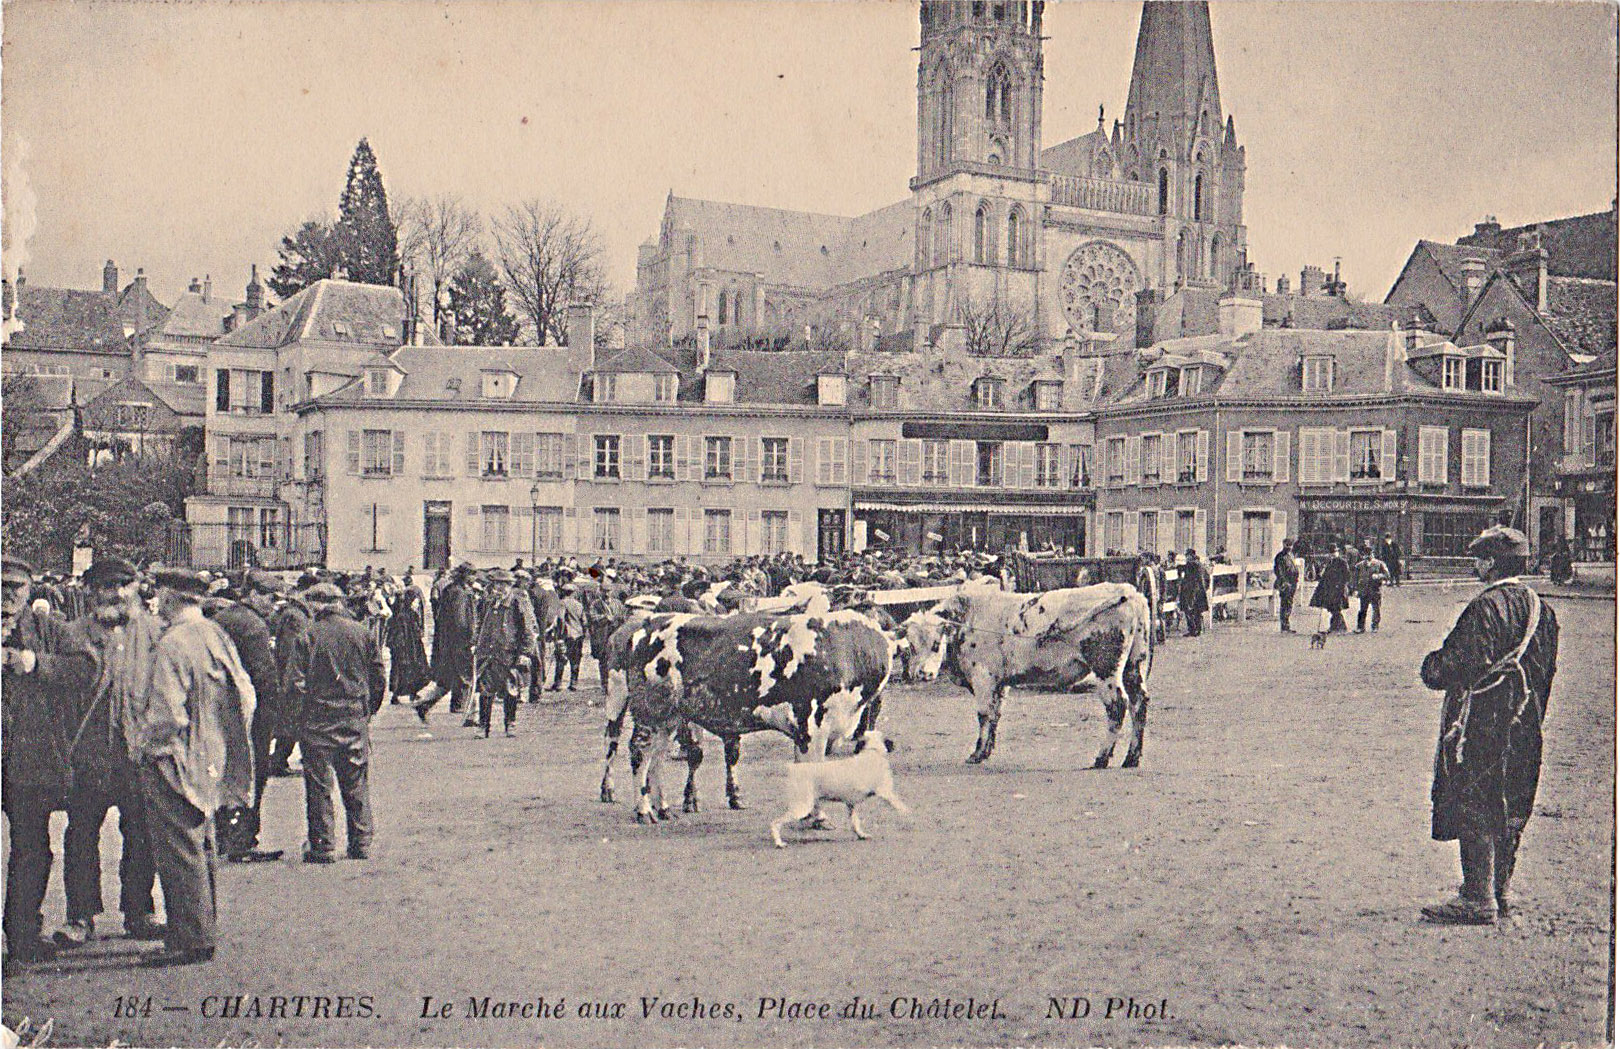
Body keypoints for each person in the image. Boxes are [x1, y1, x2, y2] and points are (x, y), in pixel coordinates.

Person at [1420, 525, 1558, 925]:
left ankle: (1478, 897)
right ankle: (1501, 890)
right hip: (1525, 721)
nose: (1476, 566)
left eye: (1479, 559)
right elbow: (1547, 671)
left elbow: (1456, 664)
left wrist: (1431, 666)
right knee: (1513, 800)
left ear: (1491, 564)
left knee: (1475, 798)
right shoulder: (1541, 609)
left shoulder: (1487, 607)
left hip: (1482, 722)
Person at [135, 567, 257, 967]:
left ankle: (189, 939)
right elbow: (246, 695)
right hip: (211, 755)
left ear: (170, 598)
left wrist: (146, 747)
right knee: (202, 844)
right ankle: (202, 928)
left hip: (175, 756)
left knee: (178, 848)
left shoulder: (173, 643)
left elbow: (167, 714)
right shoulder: (214, 634)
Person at [57, 558, 165, 949]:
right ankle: (81, 916)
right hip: (88, 754)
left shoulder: (155, 633)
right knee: (81, 835)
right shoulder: (71, 636)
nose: (116, 593)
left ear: (137, 588)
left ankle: (139, 912)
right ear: (91, 591)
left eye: (124, 584)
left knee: (141, 834)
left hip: (137, 753)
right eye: (106, 586)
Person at [2, 556, 98, 967]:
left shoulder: (46, 630)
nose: (7, 596)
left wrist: (35, 664)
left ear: (29, 591)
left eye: (16, 588)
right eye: (1, 586)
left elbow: (88, 668)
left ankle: (22, 935)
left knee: (31, 847)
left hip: (27, 758)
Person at [287, 582, 383, 863]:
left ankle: (323, 845)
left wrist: (298, 718)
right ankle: (361, 842)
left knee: (319, 785)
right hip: (353, 716)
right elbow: (378, 678)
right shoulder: (362, 633)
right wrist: (367, 712)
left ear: (317, 604)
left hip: (318, 720)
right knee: (356, 782)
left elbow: (295, 684)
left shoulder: (308, 636)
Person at [207, 575, 284, 863]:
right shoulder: (253, 627)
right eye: (268, 597)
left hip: (221, 708)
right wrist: (273, 715)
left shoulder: (223, 618)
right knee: (252, 773)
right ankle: (243, 841)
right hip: (251, 712)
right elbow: (264, 676)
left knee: (223, 772)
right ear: (252, 594)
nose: (272, 604)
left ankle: (222, 835)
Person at [474, 568, 538, 736]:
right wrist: (476, 644)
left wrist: (525, 653)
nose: (499, 589)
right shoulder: (488, 603)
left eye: (503, 585)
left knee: (511, 692)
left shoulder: (517, 603)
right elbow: (480, 625)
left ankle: (510, 724)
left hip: (510, 656)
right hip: (489, 655)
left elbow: (528, 631)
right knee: (485, 691)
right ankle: (483, 727)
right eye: (496, 585)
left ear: (510, 586)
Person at [413, 564, 474, 725]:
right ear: (464, 576)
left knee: (447, 680)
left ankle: (424, 705)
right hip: (459, 644)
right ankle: (468, 714)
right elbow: (460, 621)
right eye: (472, 575)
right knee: (468, 678)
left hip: (447, 644)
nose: (474, 578)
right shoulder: (460, 593)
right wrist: (471, 638)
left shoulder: (450, 590)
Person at [550, 583, 587, 692]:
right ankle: (573, 682)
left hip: (566, 634)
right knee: (575, 659)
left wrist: (558, 635)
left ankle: (558, 683)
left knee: (561, 658)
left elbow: (561, 619)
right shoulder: (579, 605)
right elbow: (584, 621)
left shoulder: (562, 603)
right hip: (578, 634)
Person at [1310, 543, 1351, 633]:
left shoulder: (1342, 562)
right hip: (1330, 590)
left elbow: (1347, 576)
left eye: (1335, 552)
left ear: (1338, 552)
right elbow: (1325, 576)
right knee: (1332, 608)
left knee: (1336, 608)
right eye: (1331, 553)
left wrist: (1340, 586)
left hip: (1339, 590)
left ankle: (1337, 627)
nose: (1333, 554)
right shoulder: (1330, 563)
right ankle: (1339, 627)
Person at [1352, 545, 1392, 633]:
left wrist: (1378, 576)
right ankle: (1360, 627)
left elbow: (1387, 575)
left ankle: (1375, 626)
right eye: (1366, 555)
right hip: (1364, 590)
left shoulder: (1379, 564)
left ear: (1373, 554)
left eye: (1370, 554)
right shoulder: (1359, 566)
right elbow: (1355, 579)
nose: (1368, 556)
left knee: (1376, 609)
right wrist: (1355, 589)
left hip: (1375, 590)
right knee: (1362, 609)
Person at [1177, 548, 1210, 637]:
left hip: (1192, 591)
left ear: (1191, 556)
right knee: (1197, 611)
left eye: (1187, 556)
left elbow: (1185, 572)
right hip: (1199, 591)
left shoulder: (1192, 564)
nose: (1186, 558)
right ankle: (1197, 630)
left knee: (1189, 610)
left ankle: (1192, 630)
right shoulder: (1200, 565)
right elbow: (1207, 578)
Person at [1273, 538, 1299, 633]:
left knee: (1289, 604)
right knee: (1285, 604)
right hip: (1285, 584)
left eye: (1290, 545)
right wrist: (1284, 582)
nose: (1289, 547)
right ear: (1283, 545)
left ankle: (1286, 626)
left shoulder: (1291, 555)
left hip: (1292, 583)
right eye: (1287, 545)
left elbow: (1294, 568)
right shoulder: (1280, 557)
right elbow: (1279, 571)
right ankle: (1284, 627)